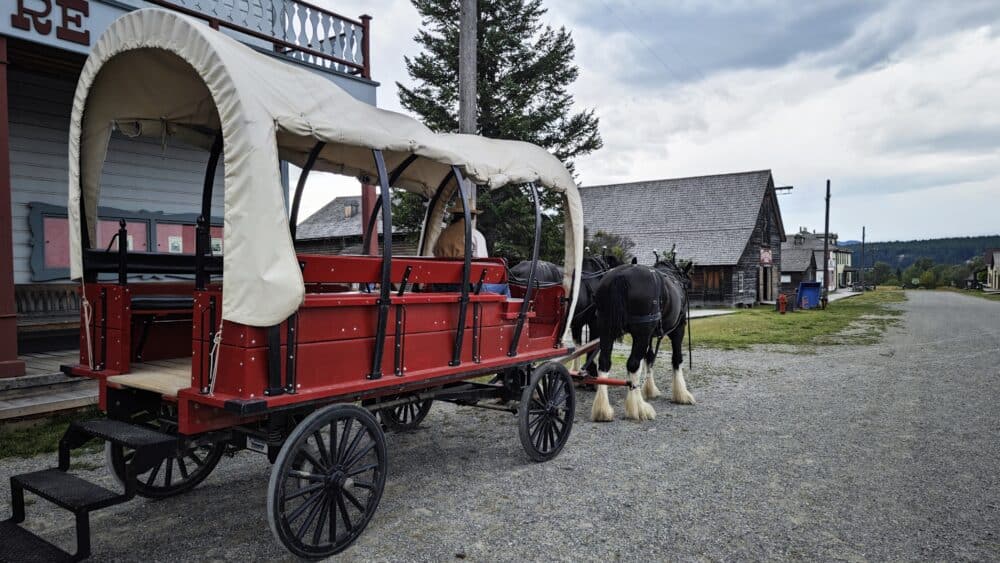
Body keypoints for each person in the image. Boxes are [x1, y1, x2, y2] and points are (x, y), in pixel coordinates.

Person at [433, 201, 509, 297]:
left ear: (455, 215)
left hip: (439, 285)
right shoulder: (474, 235)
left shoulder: (442, 235)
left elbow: (434, 252)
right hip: (464, 288)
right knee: (505, 287)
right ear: (472, 216)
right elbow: (483, 263)